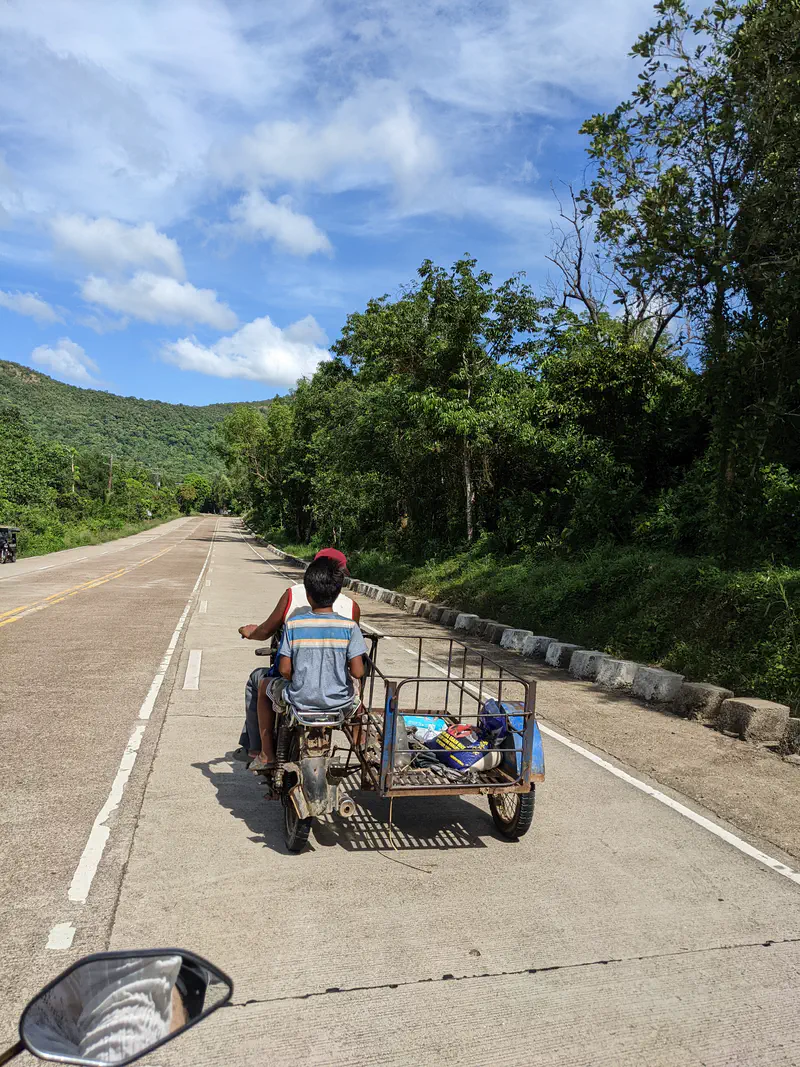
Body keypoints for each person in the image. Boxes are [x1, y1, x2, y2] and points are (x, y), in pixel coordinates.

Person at [235, 548, 359, 764]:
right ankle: (363, 748)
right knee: (358, 701)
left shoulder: (293, 598)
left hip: (300, 692)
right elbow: (357, 668)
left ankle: (262, 752)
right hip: (339, 695)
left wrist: (249, 631)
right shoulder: (351, 610)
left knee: (261, 683)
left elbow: (268, 637)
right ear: (340, 580)